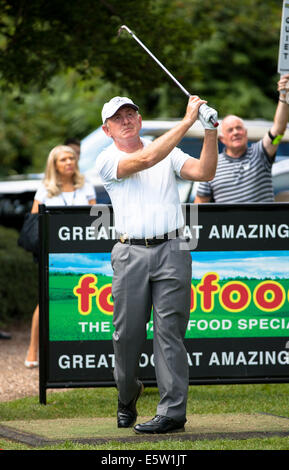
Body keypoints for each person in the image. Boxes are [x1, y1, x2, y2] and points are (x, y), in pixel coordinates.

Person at [95, 95, 218, 434]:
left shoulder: (169, 151)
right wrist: (187, 120)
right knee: (127, 336)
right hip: (129, 252)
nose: (126, 120)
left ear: (140, 118)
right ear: (108, 130)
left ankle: (172, 413)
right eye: (117, 118)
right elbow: (147, 158)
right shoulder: (107, 158)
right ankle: (127, 393)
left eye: (131, 112)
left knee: (170, 334)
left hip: (173, 248)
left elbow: (205, 171)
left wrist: (209, 131)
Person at [25, 145, 96, 368]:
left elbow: (95, 219)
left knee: (82, 303)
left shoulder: (86, 187)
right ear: (54, 164)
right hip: (52, 254)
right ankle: (32, 350)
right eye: (63, 159)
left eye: (71, 158)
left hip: (82, 254)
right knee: (45, 301)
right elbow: (35, 222)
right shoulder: (44, 190)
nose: (68, 162)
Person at [194, 74, 289, 204]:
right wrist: (192, 224)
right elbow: (200, 202)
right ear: (222, 139)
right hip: (228, 224)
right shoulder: (212, 165)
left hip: (262, 224)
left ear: (246, 133)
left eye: (239, 128)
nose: (236, 132)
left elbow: (279, 130)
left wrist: (283, 96)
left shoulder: (261, 153)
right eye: (230, 130)